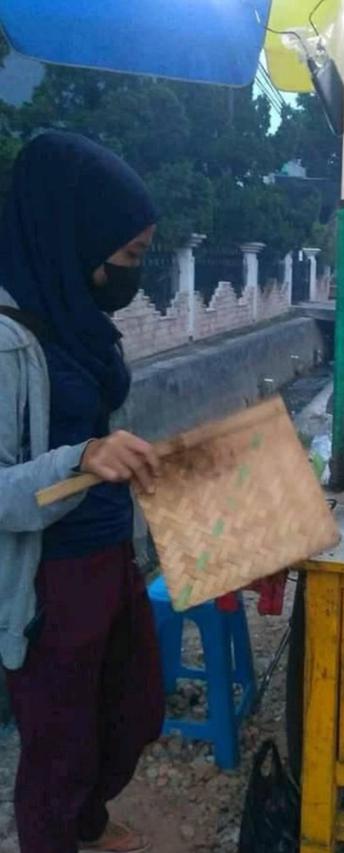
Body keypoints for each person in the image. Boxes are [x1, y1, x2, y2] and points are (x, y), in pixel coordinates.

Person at [0, 131, 165, 853]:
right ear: (74, 236)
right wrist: (82, 457)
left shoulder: (79, 322)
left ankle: (88, 819)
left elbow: (100, 431)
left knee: (132, 707)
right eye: (126, 257)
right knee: (58, 744)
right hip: (47, 578)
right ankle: (55, 835)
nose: (133, 274)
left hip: (108, 549)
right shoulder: (8, 342)